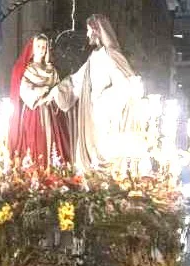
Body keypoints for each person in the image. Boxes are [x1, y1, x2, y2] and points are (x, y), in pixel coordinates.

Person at [51, 14, 138, 171]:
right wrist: (56, 91)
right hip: (92, 113)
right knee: (91, 151)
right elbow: (77, 80)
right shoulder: (94, 57)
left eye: (88, 30)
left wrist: (103, 101)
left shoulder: (110, 55)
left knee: (106, 151)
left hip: (107, 115)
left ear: (97, 32)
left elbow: (127, 84)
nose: (86, 34)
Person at [8, 35, 71, 167]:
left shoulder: (51, 70)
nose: (41, 49)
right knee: (35, 140)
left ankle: (52, 168)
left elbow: (58, 87)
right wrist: (40, 91)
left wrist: (53, 95)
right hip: (34, 112)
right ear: (33, 48)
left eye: (44, 47)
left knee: (52, 141)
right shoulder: (29, 69)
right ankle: (35, 169)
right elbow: (24, 90)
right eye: (38, 46)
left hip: (49, 111)